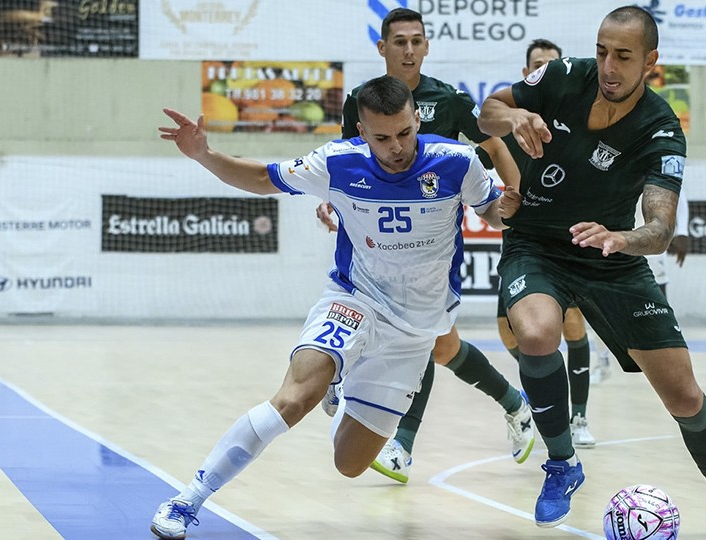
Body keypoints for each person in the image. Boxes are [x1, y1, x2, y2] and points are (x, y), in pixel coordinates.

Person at [150, 75, 522, 539]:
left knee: (349, 463)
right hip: (355, 300)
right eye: (382, 138)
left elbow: (490, 209)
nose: (397, 147)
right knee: (294, 399)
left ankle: (343, 384)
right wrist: (205, 154)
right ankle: (187, 499)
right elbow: (262, 178)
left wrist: (503, 209)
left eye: (404, 132)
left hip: (415, 334)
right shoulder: (338, 163)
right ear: (362, 132)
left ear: (416, 119)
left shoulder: (456, 162)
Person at [476, 6, 706, 538]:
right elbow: (486, 111)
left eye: (624, 56)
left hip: (612, 259)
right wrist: (512, 117)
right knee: (536, 333)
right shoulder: (562, 77)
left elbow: (659, 227)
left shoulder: (660, 129)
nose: (608, 66)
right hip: (535, 243)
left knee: (684, 397)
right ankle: (562, 464)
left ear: (651, 62)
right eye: (603, 51)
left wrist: (621, 239)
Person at [315, 7, 534, 484]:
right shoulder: (361, 100)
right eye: (399, 41)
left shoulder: (448, 100)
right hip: (376, 250)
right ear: (383, 48)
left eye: (417, 40)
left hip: (428, 251)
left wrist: (520, 206)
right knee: (441, 347)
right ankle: (515, 405)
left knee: (427, 340)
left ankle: (402, 445)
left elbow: (493, 146)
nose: (409, 49)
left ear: (427, 46)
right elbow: (345, 164)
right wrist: (331, 203)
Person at [492, 38, 595, 449]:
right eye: (538, 66)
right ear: (526, 74)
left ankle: (578, 416)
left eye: (553, 65)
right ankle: (544, 399)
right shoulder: (509, 128)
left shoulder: (578, 122)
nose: (546, 72)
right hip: (521, 242)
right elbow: (483, 161)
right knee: (509, 332)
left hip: (565, 242)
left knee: (570, 326)